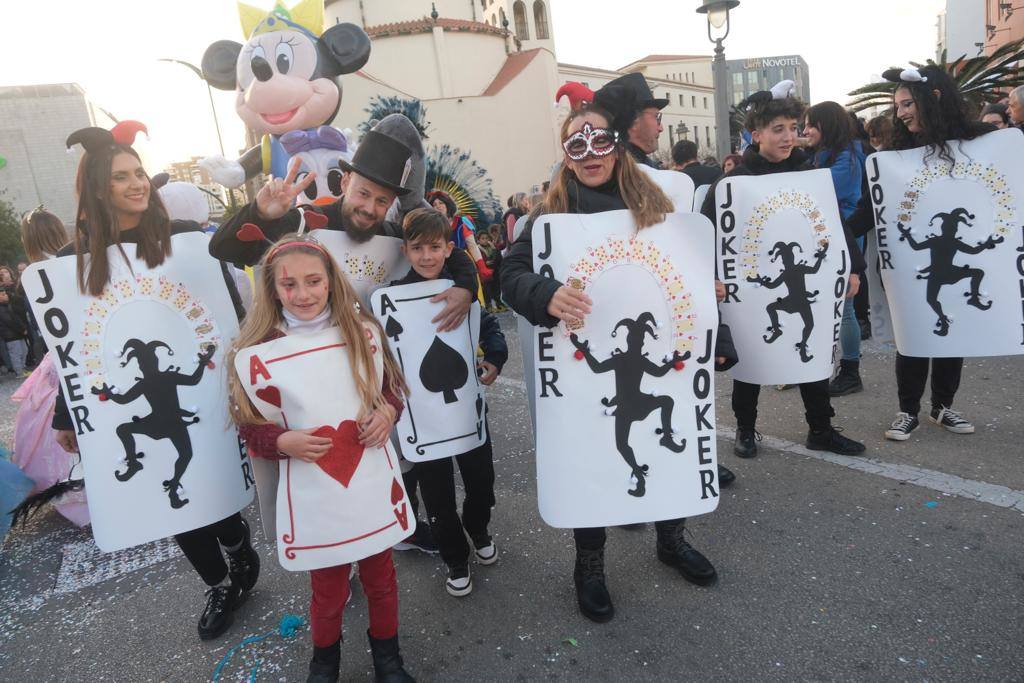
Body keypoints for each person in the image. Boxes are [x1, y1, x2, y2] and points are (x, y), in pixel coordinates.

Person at [502, 102, 730, 624]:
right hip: (585, 367)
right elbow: (509, 274)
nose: (588, 154)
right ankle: (589, 564)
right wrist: (545, 293)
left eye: (597, 140)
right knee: (591, 459)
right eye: (575, 145)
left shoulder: (655, 203)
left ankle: (672, 539)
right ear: (566, 155)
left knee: (667, 450)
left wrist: (708, 296)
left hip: (654, 359)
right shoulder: (550, 215)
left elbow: (690, 272)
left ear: (616, 144)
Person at [53, 123, 260, 641]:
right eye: (122, 177)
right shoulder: (70, 262)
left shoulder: (187, 241)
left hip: (199, 387)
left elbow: (228, 312)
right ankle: (218, 584)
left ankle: (236, 543)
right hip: (127, 402)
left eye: (139, 172)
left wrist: (243, 369)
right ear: (100, 189)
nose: (137, 183)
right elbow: (73, 348)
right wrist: (67, 413)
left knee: (212, 485)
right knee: (168, 494)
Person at [228, 234, 415, 683]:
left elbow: (391, 388)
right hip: (314, 491)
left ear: (331, 281)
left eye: (313, 281)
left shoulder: (362, 332)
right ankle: (324, 664)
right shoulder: (257, 352)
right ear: (272, 290)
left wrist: (388, 410)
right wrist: (283, 441)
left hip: (369, 481)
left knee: (381, 579)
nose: (303, 294)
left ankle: (388, 660)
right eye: (289, 285)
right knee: (327, 591)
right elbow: (251, 424)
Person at [700, 89, 867, 459]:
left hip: (808, 284)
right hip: (747, 288)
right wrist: (708, 278)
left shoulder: (810, 175)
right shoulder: (731, 184)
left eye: (793, 128)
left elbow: (835, 224)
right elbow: (707, 232)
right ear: (756, 134)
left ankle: (820, 429)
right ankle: (746, 429)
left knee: (813, 354)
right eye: (778, 129)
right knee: (751, 358)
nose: (789, 136)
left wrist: (854, 267)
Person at [846, 65, 994, 441]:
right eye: (897, 106)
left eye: (907, 103)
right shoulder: (891, 157)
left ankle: (943, 407)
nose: (901, 113)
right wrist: (839, 235)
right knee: (913, 335)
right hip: (910, 265)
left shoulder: (979, 145)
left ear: (935, 97)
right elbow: (870, 209)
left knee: (951, 333)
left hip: (960, 262)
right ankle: (907, 410)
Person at [211, 130, 476, 334]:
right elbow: (223, 249)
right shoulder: (304, 225)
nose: (370, 208)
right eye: (363, 194)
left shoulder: (394, 236)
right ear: (346, 181)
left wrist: (466, 288)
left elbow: (446, 253)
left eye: (382, 201)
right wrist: (260, 213)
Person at [393, 208, 507, 597]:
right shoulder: (393, 297)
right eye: (418, 248)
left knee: (481, 481)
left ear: (447, 249)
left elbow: (487, 325)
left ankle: (478, 529)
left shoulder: (460, 287)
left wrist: (494, 357)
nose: (426, 256)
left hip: (467, 412)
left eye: (435, 247)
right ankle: (455, 557)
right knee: (436, 495)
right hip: (422, 420)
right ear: (405, 251)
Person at [802, 101, 868, 396]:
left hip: (844, 237)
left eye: (810, 125)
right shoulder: (824, 154)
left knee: (846, 308)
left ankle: (851, 371)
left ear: (827, 125)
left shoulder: (849, 155)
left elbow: (818, 189)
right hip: (820, 236)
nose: (805, 131)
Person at [598, 72, 666, 167]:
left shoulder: (612, 167)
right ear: (633, 120)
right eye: (656, 117)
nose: (661, 128)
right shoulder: (625, 172)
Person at [426, 190, 493, 283]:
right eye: (434, 204)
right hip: (441, 267)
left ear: (448, 205)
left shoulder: (462, 222)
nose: (437, 206)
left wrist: (482, 267)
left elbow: (472, 246)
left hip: (462, 264)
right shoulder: (431, 227)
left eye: (441, 203)